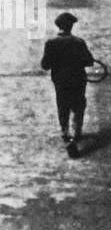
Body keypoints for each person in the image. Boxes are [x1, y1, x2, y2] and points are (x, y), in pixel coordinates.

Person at [40, 12, 94, 158]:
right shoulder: (79, 42)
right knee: (78, 106)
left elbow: (45, 65)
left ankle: (66, 133)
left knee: (62, 106)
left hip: (61, 81)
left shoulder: (50, 43)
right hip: (77, 79)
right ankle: (77, 134)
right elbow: (89, 61)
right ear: (70, 26)